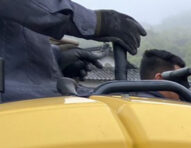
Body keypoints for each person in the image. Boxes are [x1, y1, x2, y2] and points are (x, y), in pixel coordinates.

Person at [0, 1, 145, 103]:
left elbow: (15, 45)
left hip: (34, 99)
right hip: (13, 107)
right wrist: (98, 22)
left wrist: (58, 59)